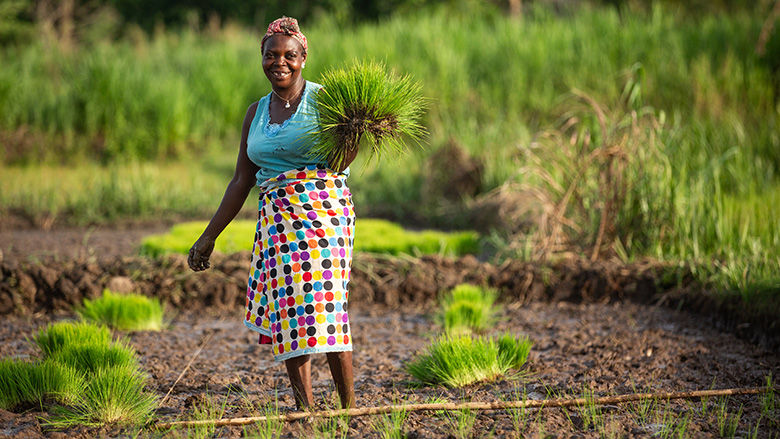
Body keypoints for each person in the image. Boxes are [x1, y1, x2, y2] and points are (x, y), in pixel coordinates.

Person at [187, 16, 357, 410]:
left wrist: (356, 130)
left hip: (322, 217)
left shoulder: (327, 100)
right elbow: (241, 181)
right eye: (271, 55)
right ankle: (306, 411)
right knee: (291, 313)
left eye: (289, 55)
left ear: (303, 58)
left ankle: (350, 410)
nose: (280, 62)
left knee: (325, 306)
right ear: (261, 58)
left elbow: (340, 160)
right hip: (277, 221)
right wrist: (208, 236)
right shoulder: (256, 112)